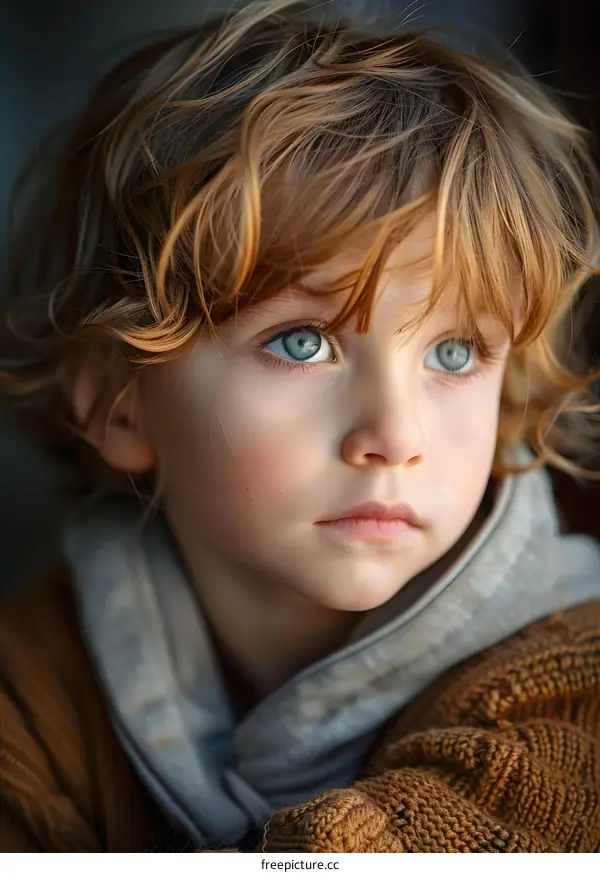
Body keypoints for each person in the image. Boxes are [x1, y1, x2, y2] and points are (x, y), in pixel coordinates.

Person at [0, 0, 599, 853]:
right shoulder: (32, 682)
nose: (396, 434)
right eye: (302, 341)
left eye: (456, 354)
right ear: (117, 402)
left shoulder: (574, 682)